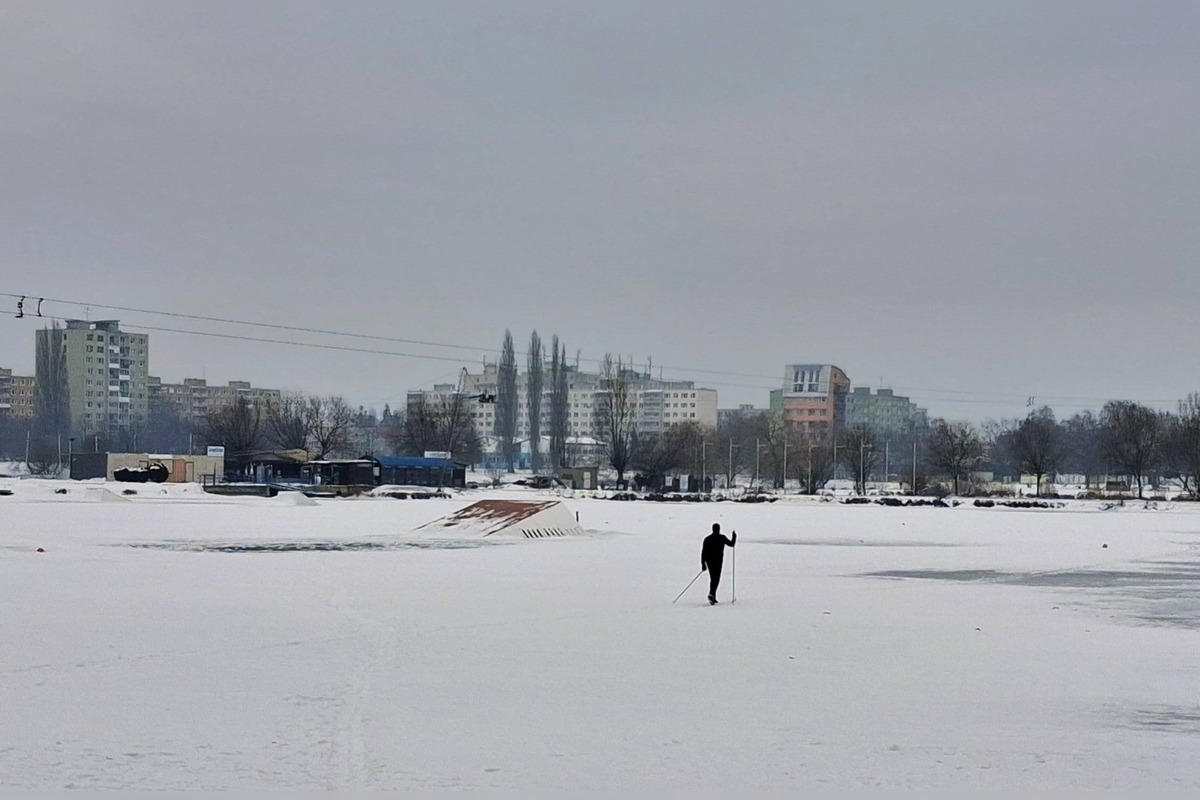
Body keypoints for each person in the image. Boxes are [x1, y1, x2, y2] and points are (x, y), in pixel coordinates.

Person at [701, 522, 736, 605]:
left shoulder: (707, 539)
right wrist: (734, 537)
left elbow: (703, 552)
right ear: (719, 529)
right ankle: (711, 594)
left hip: (709, 561)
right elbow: (731, 544)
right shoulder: (722, 538)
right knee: (715, 578)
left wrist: (703, 563)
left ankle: (713, 596)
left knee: (713, 578)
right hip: (718, 561)